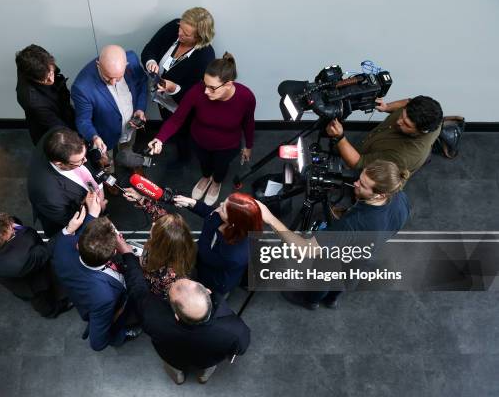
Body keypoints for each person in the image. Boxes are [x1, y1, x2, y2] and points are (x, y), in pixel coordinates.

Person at [257, 160, 411, 309]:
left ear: (380, 195)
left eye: (363, 185)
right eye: (360, 178)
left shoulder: (353, 223)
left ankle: (310, 300)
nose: (356, 183)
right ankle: (332, 300)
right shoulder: (401, 198)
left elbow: (306, 249)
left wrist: (270, 218)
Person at [120, 241, 251, 384]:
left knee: (174, 370)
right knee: (207, 369)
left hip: (173, 358)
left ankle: (179, 379)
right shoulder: (235, 330)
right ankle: (203, 378)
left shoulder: (153, 317)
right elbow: (241, 349)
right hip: (207, 361)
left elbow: (138, 290)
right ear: (207, 291)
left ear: (177, 315)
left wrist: (128, 255)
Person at [148, 52, 256, 205]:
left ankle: (216, 183)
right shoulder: (197, 92)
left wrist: (249, 146)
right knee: (204, 165)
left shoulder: (246, 97)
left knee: (220, 169)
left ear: (228, 84)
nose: (206, 91)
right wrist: (159, 139)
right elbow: (176, 119)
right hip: (199, 141)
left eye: (212, 88)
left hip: (228, 146)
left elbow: (249, 122)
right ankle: (205, 178)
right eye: (205, 85)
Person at [52, 205, 142, 351]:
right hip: (108, 305)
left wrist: (76, 225)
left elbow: (64, 237)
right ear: (114, 252)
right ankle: (121, 336)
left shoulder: (62, 246)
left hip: (82, 293)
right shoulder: (104, 297)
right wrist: (127, 252)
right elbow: (97, 343)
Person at [0, 212, 74, 318]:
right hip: (29, 283)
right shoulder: (18, 263)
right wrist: (67, 231)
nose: (14, 226)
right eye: (11, 232)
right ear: (0, 245)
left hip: (2, 271)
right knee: (42, 299)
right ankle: (52, 311)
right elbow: (44, 252)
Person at [141, 7, 216, 164]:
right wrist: (151, 61)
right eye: (181, 26)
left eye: (186, 33)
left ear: (200, 38)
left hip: (181, 104)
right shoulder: (174, 27)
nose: (179, 33)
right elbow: (150, 48)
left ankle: (184, 159)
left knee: (183, 134)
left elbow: (197, 94)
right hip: (162, 98)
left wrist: (173, 88)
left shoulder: (205, 57)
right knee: (167, 123)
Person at [71, 45, 147, 174]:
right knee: (107, 159)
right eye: (107, 77)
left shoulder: (132, 59)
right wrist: (94, 137)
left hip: (130, 125)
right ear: (98, 65)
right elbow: (83, 120)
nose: (113, 82)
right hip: (104, 134)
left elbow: (142, 83)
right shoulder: (82, 87)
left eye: (118, 78)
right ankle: (110, 175)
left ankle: (131, 162)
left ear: (126, 65)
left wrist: (140, 108)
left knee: (128, 147)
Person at [326, 95, 443, 175]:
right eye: (402, 114)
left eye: (406, 124)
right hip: (379, 145)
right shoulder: (433, 115)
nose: (398, 121)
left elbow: (358, 162)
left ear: (422, 131)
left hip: (384, 172)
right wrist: (387, 107)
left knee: (368, 188)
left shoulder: (402, 155)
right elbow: (408, 101)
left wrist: (340, 137)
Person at [173, 192, 262, 296]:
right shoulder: (238, 223)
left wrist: (208, 223)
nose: (220, 205)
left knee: (210, 290)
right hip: (213, 259)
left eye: (223, 208)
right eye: (224, 202)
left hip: (216, 280)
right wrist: (192, 203)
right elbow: (213, 213)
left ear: (233, 222)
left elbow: (205, 254)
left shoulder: (233, 255)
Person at [27, 127, 105, 237]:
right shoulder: (48, 195)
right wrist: (93, 213)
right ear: (59, 163)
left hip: (87, 192)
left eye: (84, 155)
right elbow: (70, 222)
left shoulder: (58, 134)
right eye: (80, 160)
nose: (85, 161)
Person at [15, 44, 76, 145]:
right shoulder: (34, 103)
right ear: (32, 78)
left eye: (51, 73)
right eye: (45, 80)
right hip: (51, 127)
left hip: (56, 105)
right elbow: (61, 129)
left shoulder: (40, 59)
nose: (51, 80)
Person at [142, 213, 196, 298]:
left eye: (156, 226)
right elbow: (158, 213)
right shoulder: (174, 236)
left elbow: (148, 292)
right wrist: (141, 199)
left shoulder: (166, 278)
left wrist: (132, 261)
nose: (153, 224)